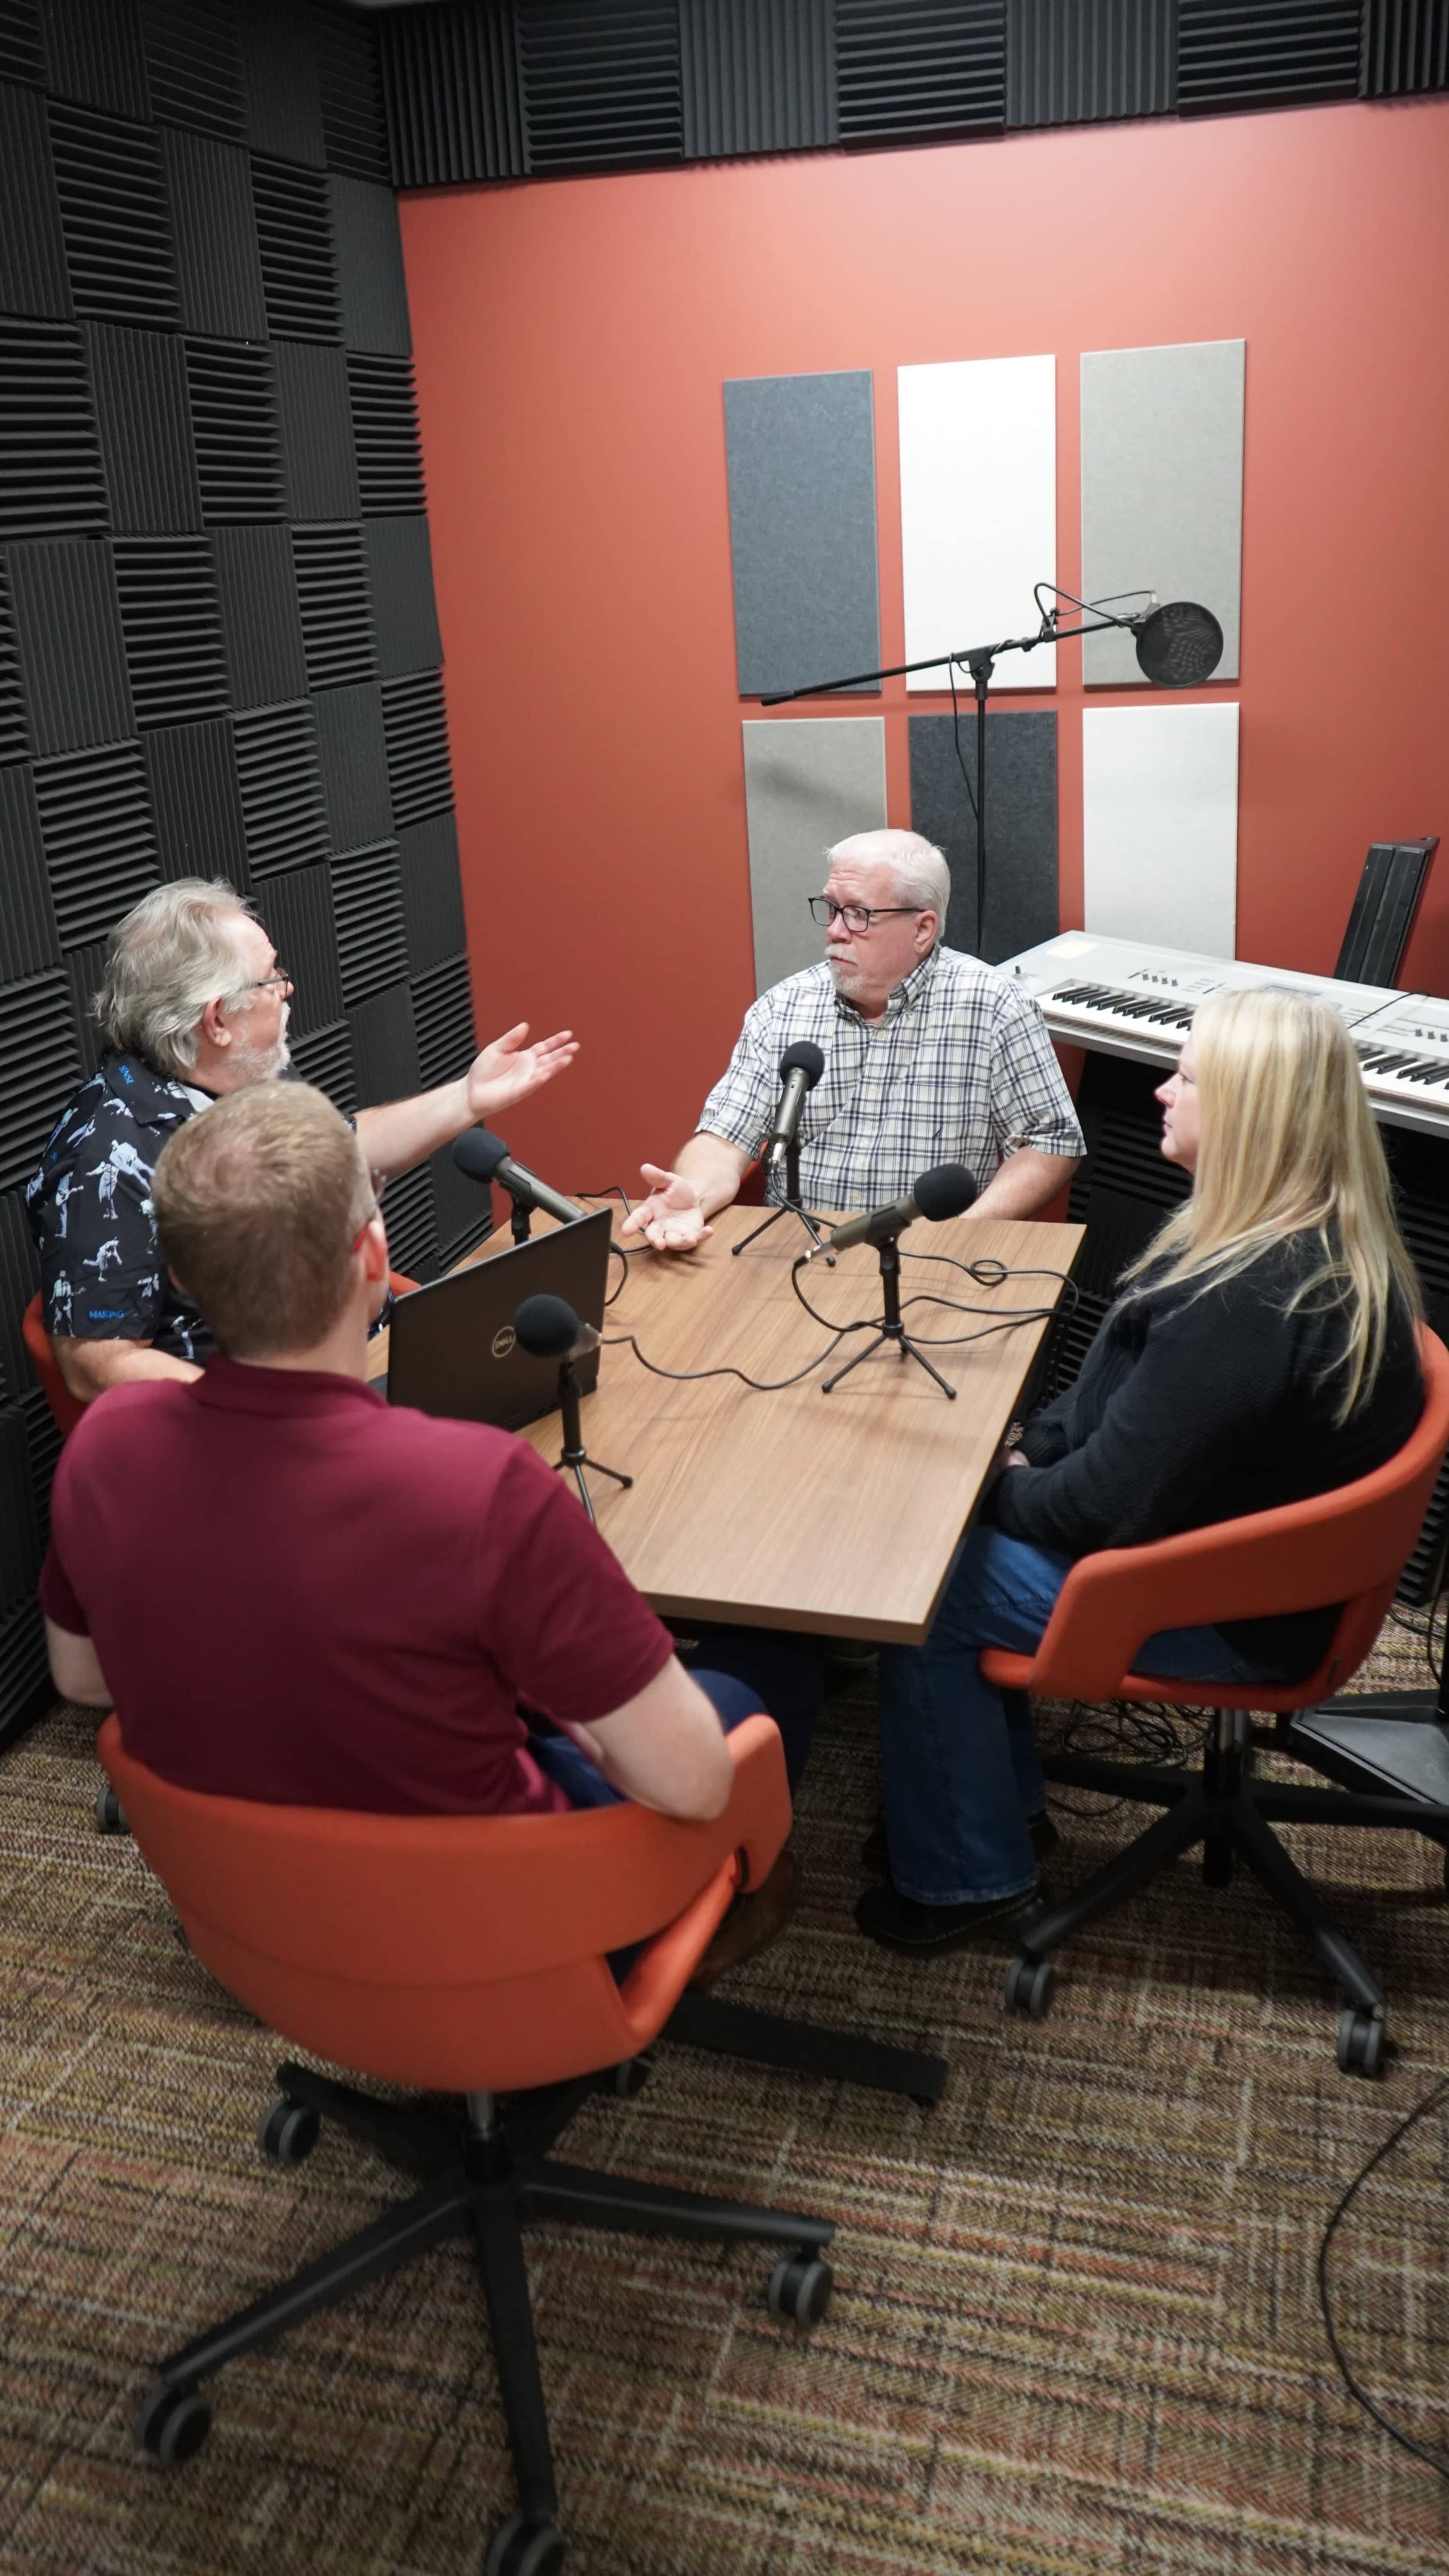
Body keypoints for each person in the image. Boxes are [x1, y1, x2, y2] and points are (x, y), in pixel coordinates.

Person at [38, 1081, 800, 1976]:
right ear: (372, 1255)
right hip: (513, 1931)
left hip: (262, 1922)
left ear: (179, 1278)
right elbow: (694, 1782)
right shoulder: (479, 1488)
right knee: (764, 1682)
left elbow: (84, 1677)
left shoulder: (103, 1449)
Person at [857, 985, 1426, 1954]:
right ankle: (998, 1810)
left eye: (1186, 1078)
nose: (1161, 1093)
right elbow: (1104, 1407)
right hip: (1247, 1568)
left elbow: (1098, 1508)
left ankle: (964, 1879)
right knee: (964, 1530)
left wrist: (977, 1489)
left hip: (1232, 1611)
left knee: (925, 1582)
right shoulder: (1290, 1234)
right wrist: (1029, 1446)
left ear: (1247, 1112)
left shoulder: (1248, 1299)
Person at [26, 878, 578, 1402]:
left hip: (362, 1362)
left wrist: (468, 1098)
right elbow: (97, 1363)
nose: (287, 987)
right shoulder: (107, 1157)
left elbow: (344, 1146)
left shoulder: (243, 1070)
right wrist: (274, 1418)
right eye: (270, 977)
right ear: (218, 1019)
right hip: (257, 1437)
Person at [622, 829, 1083, 1252]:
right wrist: (694, 1195)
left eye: (859, 914)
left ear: (922, 929)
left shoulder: (995, 1006)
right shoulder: (784, 1008)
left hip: (929, 1257)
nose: (836, 930)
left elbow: (1049, 1141)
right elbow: (726, 1137)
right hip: (797, 1257)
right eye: (832, 908)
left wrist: (962, 1234)